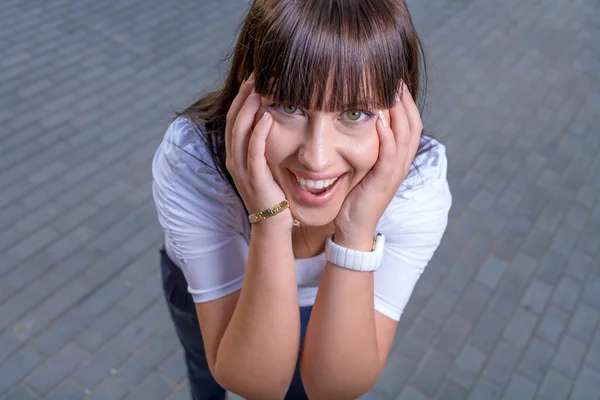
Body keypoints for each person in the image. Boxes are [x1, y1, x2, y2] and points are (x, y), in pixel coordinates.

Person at [152, 0, 452, 398]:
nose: (317, 157)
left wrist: (357, 231)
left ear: (401, 114)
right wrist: (271, 221)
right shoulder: (195, 160)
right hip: (204, 292)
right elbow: (249, 380)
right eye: (289, 106)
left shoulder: (415, 187)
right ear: (246, 95)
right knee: (209, 370)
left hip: (335, 299)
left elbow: (334, 388)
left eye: (356, 113)